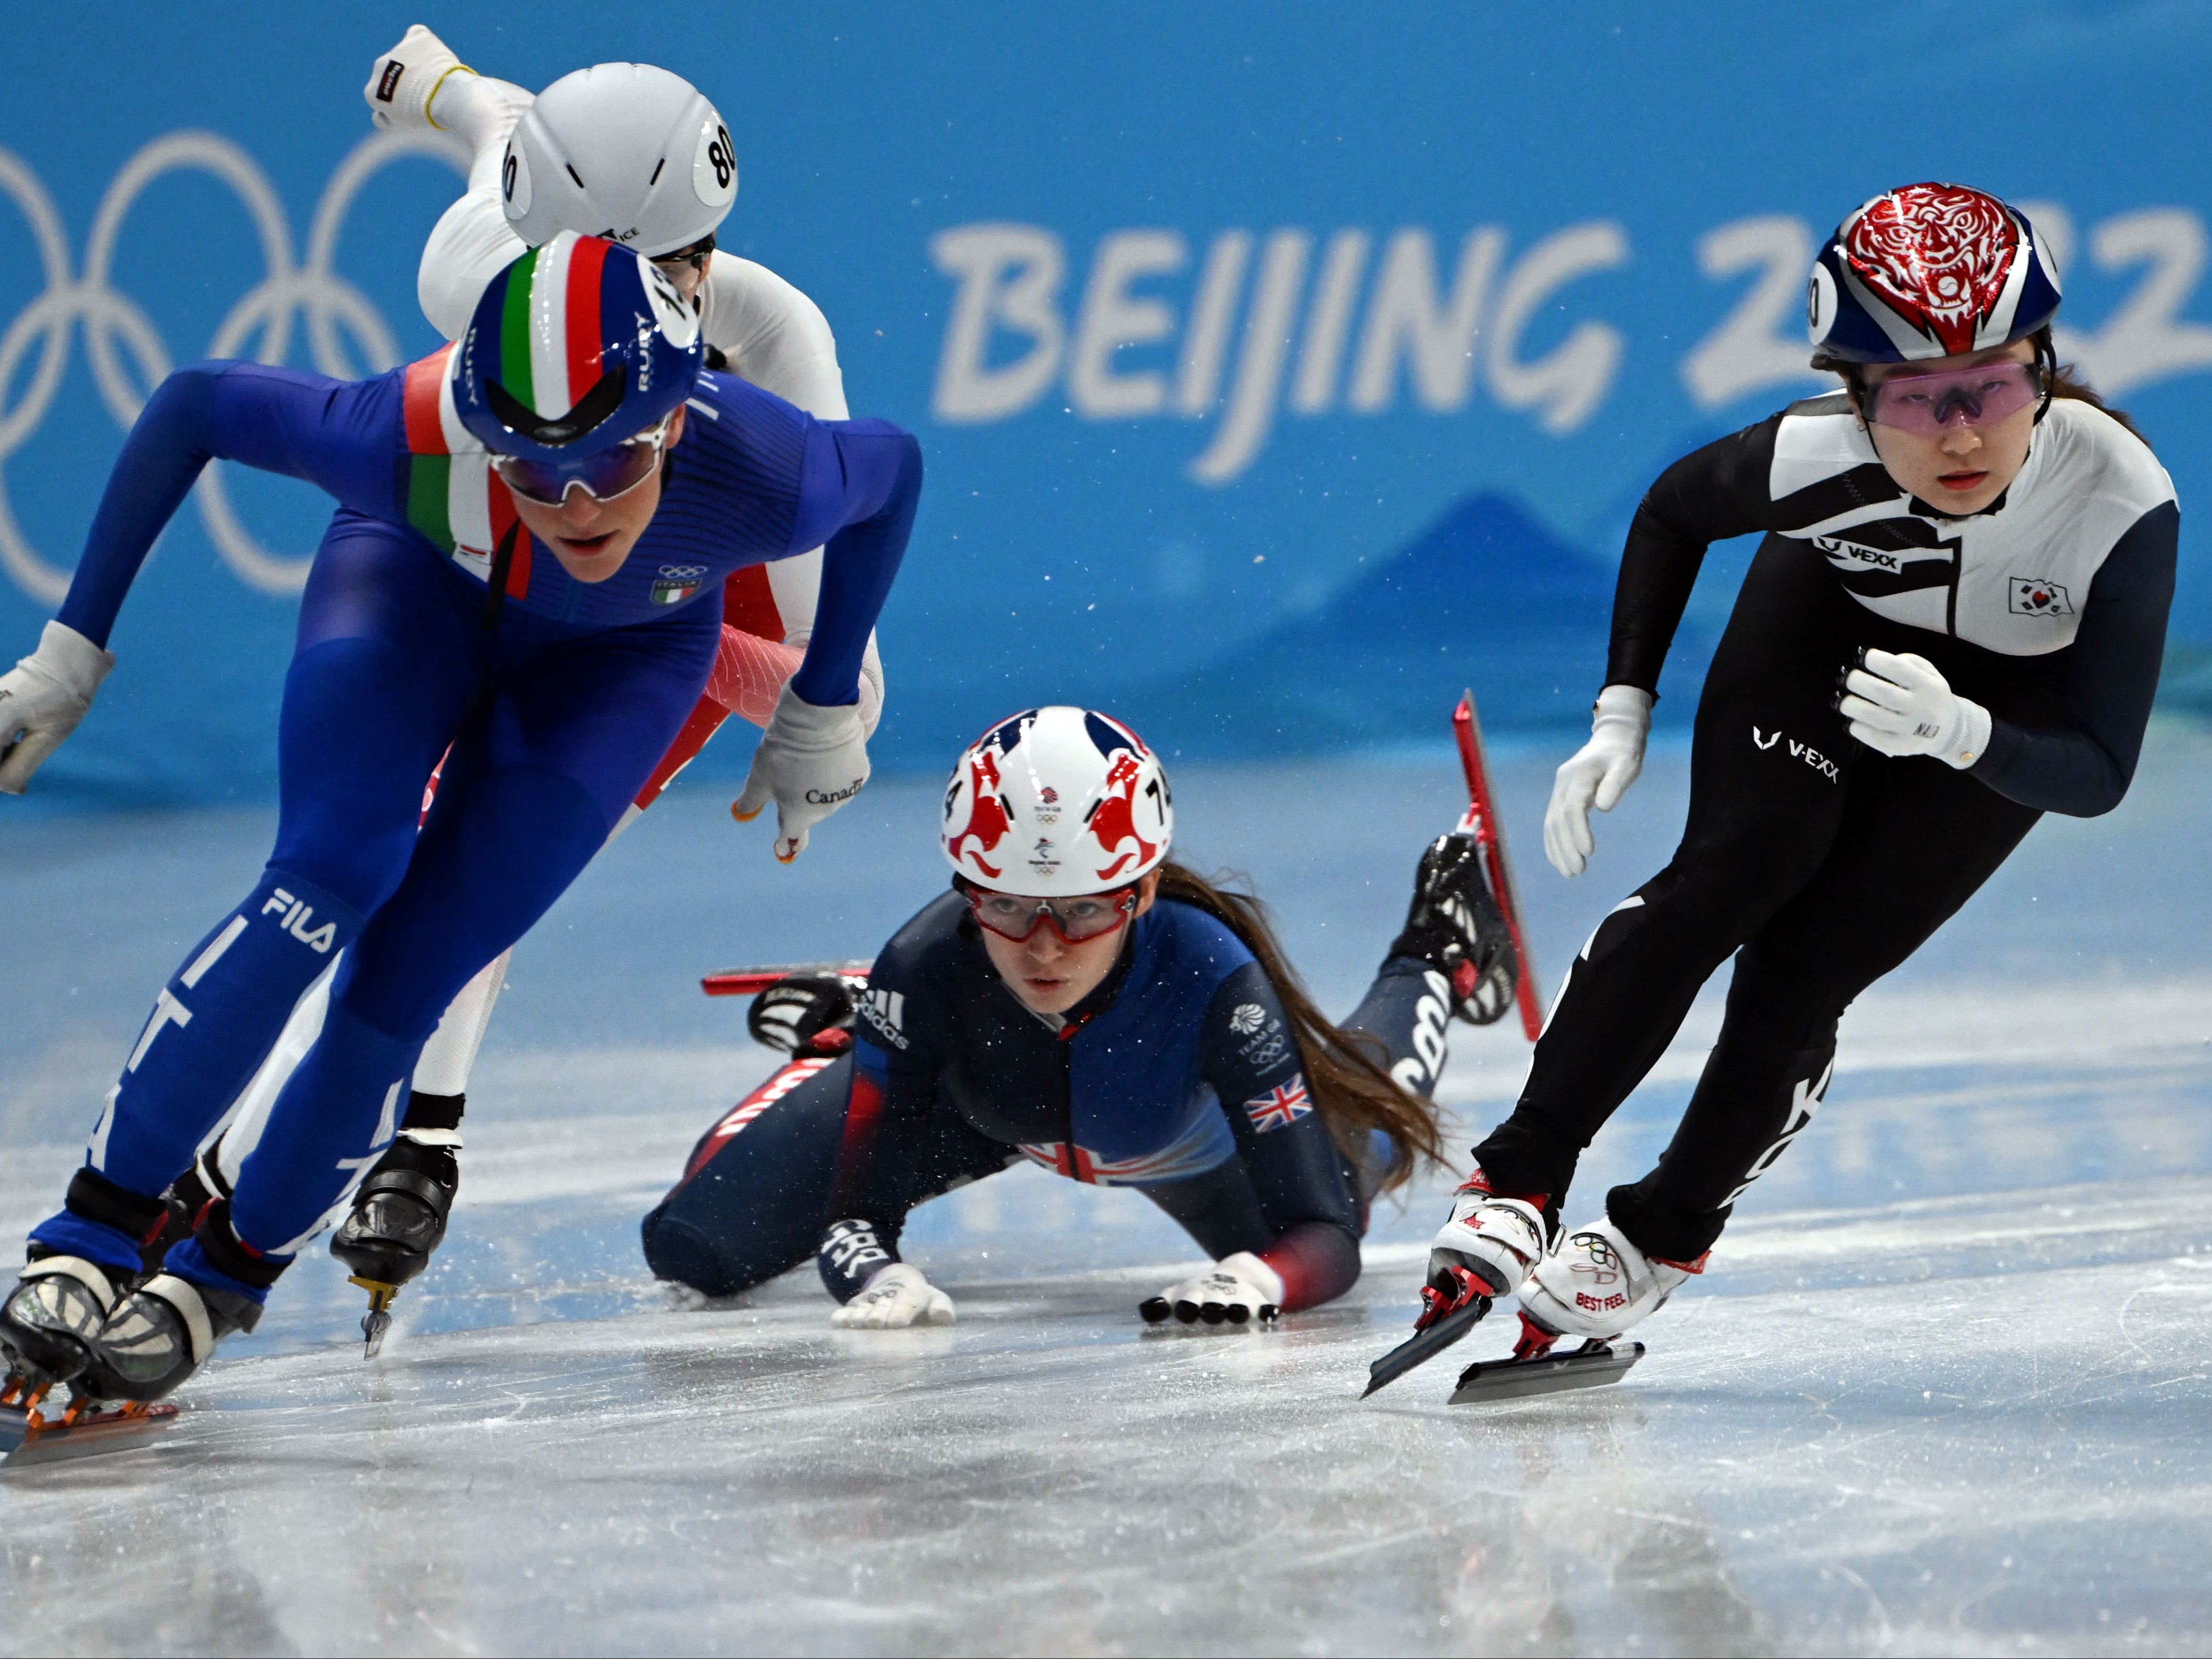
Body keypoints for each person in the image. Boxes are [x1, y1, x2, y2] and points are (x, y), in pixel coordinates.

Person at [0, 233, 922, 1402]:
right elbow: (192, 406)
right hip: (411, 584)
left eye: (612, 463)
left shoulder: (773, 466)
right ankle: (91, 1233)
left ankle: (224, 1276)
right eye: (537, 472)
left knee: (411, 975)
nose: (577, 504)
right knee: (329, 872)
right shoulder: (409, 429)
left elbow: (893, 473)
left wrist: (826, 700)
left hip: (622, 660)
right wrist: (70, 654)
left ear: (680, 419)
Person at [1424, 182, 2178, 1362]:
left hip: (2004, 712)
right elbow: (1675, 516)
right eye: (1920, 401)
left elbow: (2098, 770)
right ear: (1855, 395)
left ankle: (1661, 1235)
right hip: (1829, 625)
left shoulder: (2119, 500)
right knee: (1736, 871)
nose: (1964, 433)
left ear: (2043, 365)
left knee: (1804, 972)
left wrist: (1966, 734)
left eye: (1995, 386)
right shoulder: (1809, 459)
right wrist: (1621, 710)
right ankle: (1519, 1176)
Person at [641, 706, 1521, 1328]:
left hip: (1176, 1127)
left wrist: (1259, 1275)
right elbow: (853, 1217)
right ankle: (857, 1032)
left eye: (1086, 910)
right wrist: (874, 1271)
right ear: (966, 891)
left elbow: (1322, 1238)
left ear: (1139, 895)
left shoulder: (1214, 978)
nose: (1047, 948)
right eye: (1011, 907)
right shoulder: (923, 965)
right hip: (971, 1097)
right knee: (694, 1244)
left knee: (1343, 1185)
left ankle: (1439, 951)